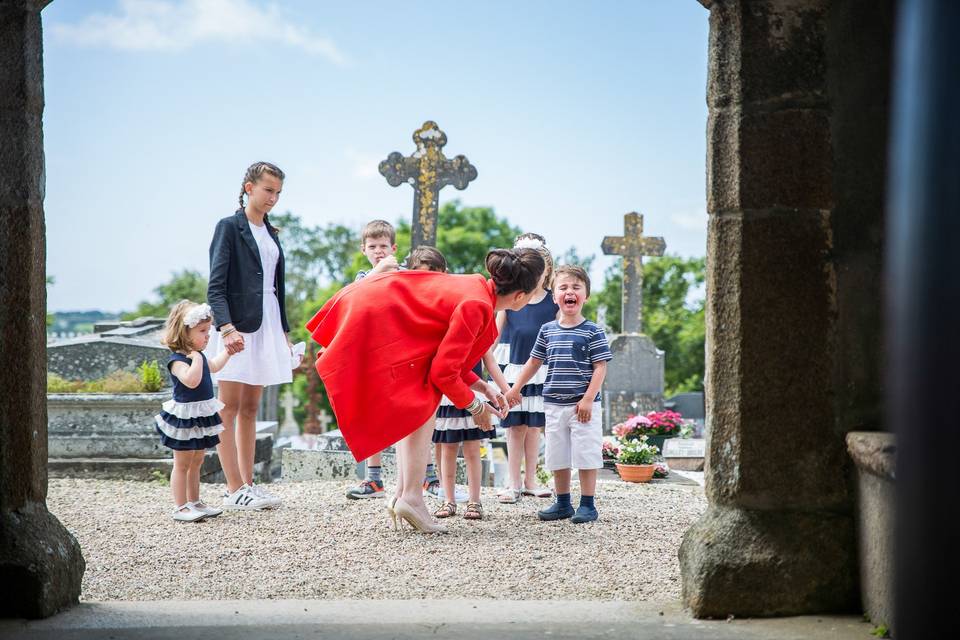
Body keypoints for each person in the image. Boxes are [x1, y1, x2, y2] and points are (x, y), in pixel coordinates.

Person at [306, 248, 546, 533]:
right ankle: (411, 497)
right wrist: (476, 407)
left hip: (376, 306)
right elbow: (442, 372)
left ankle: (403, 495)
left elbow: (443, 359)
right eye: (532, 295)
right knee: (422, 401)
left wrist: (482, 387)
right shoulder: (477, 304)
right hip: (375, 315)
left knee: (418, 401)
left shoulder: (477, 288)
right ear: (520, 296)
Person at [208, 161, 293, 511]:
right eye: (268, 190)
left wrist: (285, 332)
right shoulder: (229, 227)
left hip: (268, 322)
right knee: (227, 406)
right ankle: (232, 488)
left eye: (278, 192)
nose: (273, 197)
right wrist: (226, 328)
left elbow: (277, 286)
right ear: (248, 188)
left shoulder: (271, 233)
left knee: (251, 406)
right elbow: (216, 286)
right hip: (237, 326)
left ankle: (248, 483)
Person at [345, 222, 444, 501]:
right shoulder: (363, 276)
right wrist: (379, 270)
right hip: (375, 354)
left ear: (393, 249)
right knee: (374, 415)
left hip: (405, 354)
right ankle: (374, 478)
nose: (378, 251)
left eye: (383, 246)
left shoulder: (405, 274)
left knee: (416, 415)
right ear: (364, 250)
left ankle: (427, 475)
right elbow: (355, 297)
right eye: (373, 247)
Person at [506, 265, 612, 524]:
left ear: (585, 295)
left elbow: (600, 367)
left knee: (586, 454)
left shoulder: (593, 331)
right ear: (554, 296)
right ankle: (562, 502)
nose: (570, 292)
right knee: (557, 454)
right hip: (553, 404)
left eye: (576, 287)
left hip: (583, 406)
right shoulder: (548, 330)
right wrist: (515, 388)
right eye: (563, 287)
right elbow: (533, 362)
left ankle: (588, 504)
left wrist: (588, 399)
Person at [408, 247, 488, 521]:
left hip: (463, 381)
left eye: (433, 274)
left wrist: (487, 387)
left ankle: (475, 501)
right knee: (446, 448)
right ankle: (448, 498)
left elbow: (474, 354)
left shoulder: (458, 301)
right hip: (441, 389)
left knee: (472, 449)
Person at [491, 233, 558, 504]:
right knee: (514, 427)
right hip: (511, 366)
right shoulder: (511, 298)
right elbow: (493, 336)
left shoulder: (552, 301)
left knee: (533, 427)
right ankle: (512, 482)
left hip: (541, 368)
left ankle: (531, 480)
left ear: (546, 269)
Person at [155, 301, 231, 521]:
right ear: (184, 333)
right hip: (184, 418)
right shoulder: (177, 361)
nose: (208, 336)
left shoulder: (199, 356)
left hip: (200, 415)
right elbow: (191, 380)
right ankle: (180, 507)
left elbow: (214, 367)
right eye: (202, 331)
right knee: (182, 463)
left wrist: (228, 352)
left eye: (208, 331)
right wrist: (197, 359)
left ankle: (194, 501)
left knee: (197, 460)